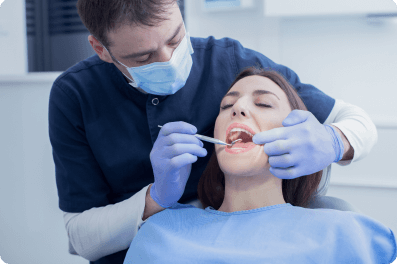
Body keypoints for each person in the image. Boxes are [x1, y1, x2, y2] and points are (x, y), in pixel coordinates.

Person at [49, 0, 377, 263]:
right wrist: (157, 198)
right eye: (144, 57)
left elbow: (356, 121)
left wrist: (335, 140)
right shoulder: (75, 96)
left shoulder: (229, 61)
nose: (168, 58)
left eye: (176, 39)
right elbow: (81, 237)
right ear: (101, 49)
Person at [123, 68, 397, 264]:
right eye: (226, 104)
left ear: (299, 136)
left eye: (264, 103)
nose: (238, 108)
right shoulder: (160, 233)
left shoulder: (350, 234)